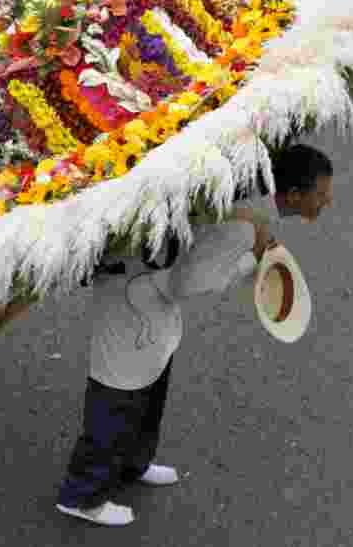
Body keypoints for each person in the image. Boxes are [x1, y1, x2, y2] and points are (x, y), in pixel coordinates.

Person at [55, 143, 334, 526]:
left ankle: (133, 463)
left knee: (149, 388)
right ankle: (81, 494)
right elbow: (189, 282)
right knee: (117, 397)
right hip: (133, 300)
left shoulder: (252, 201)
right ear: (294, 195)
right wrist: (250, 258)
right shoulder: (244, 226)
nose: (327, 203)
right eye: (321, 195)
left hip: (152, 302)